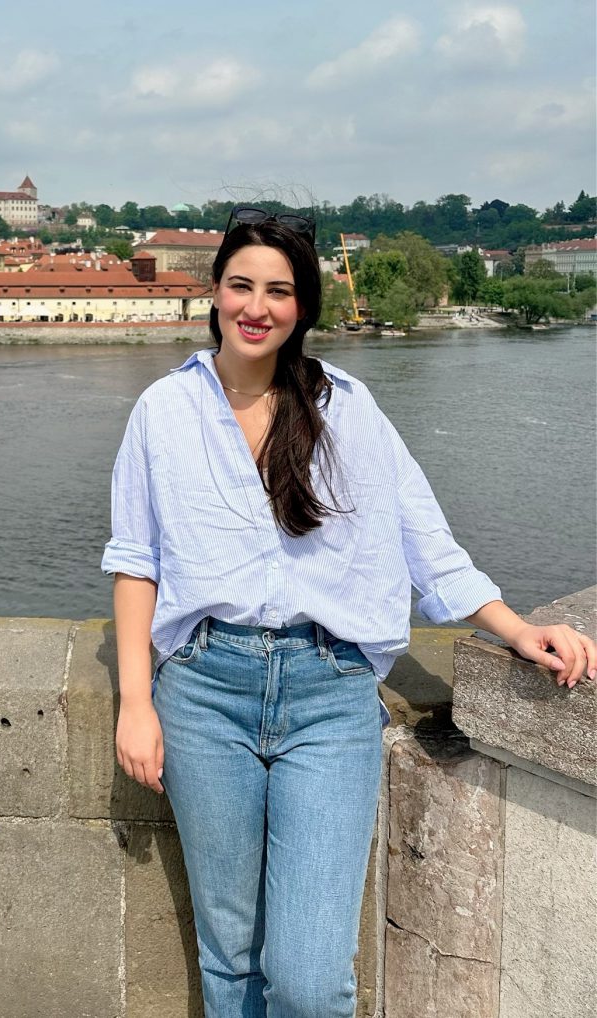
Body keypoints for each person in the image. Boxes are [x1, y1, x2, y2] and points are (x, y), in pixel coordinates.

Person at [101, 206, 596, 1018]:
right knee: (229, 956)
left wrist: (516, 628)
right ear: (216, 293)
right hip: (203, 692)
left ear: (304, 307)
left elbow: (423, 541)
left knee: (307, 974)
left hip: (327, 697)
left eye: (279, 291)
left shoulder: (348, 409)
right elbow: (135, 563)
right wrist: (135, 701)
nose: (257, 307)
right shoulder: (163, 410)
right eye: (241, 285)